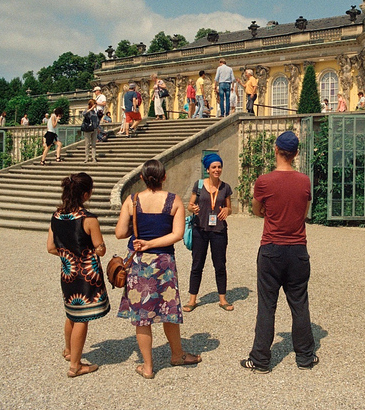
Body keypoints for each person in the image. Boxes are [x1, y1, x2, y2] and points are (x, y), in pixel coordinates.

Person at [115, 160, 201, 379]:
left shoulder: (132, 200)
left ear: (142, 178)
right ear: (164, 177)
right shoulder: (174, 201)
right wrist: (153, 243)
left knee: (142, 317)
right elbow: (177, 234)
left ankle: (148, 366)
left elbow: (120, 232)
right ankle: (177, 355)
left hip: (138, 263)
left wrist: (141, 238)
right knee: (169, 311)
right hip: (163, 262)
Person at [241, 131, 318, 373]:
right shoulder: (304, 181)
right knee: (299, 304)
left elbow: (256, 210)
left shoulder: (264, 181)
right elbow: (305, 212)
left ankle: (261, 359)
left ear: (276, 149)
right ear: (296, 154)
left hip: (272, 248)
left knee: (267, 305)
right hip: (297, 249)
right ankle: (305, 357)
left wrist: (268, 212)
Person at [46, 172, 109, 378]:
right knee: (82, 318)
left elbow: (50, 247)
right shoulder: (89, 219)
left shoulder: (56, 216)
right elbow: (100, 249)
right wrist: (94, 250)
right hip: (86, 273)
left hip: (67, 272)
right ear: (86, 194)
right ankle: (75, 365)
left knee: (71, 313)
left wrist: (67, 255)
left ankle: (69, 350)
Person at [184, 153, 234, 313]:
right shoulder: (198, 185)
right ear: (207, 169)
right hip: (200, 229)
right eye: (214, 167)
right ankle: (192, 300)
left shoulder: (225, 187)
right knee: (197, 265)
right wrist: (192, 208)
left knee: (220, 265)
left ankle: (222, 299)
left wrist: (227, 210)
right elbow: (190, 205)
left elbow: (229, 208)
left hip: (219, 230)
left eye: (219, 166)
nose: (217, 169)